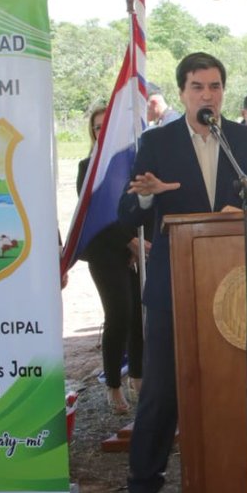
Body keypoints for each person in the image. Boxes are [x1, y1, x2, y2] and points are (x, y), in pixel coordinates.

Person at [117, 52, 247, 493]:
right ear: (183, 92)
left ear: (222, 92)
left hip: (238, 283)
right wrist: (149, 194)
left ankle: (243, 479)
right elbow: (128, 215)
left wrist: (246, 212)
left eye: (214, 87)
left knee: (239, 385)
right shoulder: (157, 142)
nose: (206, 95)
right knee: (162, 391)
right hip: (175, 285)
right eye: (196, 87)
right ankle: (143, 486)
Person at [77, 107, 146, 414]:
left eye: (106, 128)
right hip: (104, 252)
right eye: (96, 128)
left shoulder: (130, 164)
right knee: (118, 314)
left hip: (132, 252)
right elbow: (97, 216)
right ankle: (113, 387)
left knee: (138, 316)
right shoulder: (86, 168)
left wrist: (135, 245)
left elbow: (136, 207)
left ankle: (138, 378)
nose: (99, 132)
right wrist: (128, 240)